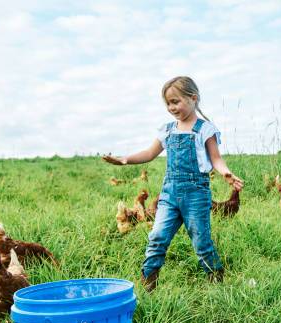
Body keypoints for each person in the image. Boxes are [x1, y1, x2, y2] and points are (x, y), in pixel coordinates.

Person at [103, 76, 243, 290]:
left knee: (201, 243)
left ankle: (217, 284)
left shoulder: (205, 129)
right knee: (157, 237)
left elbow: (216, 158)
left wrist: (226, 173)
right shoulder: (168, 129)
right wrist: (124, 160)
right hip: (169, 195)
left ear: (193, 98)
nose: (171, 107)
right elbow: (150, 153)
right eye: (167, 103)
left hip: (196, 194)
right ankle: (149, 287)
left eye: (175, 101)